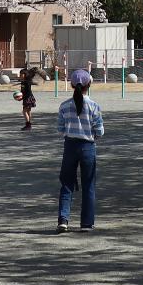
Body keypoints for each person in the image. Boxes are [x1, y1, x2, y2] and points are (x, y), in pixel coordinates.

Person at [56, 68, 104, 232]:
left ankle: (63, 219)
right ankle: (87, 223)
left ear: (71, 85)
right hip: (87, 146)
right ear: (89, 84)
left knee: (66, 183)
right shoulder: (94, 106)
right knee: (88, 185)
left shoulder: (64, 106)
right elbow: (100, 131)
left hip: (70, 145)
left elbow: (60, 129)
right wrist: (93, 136)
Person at [18, 65, 40, 130]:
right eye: (20, 74)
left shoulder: (26, 82)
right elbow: (22, 91)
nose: (20, 75)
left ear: (25, 75)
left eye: (21, 74)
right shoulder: (23, 82)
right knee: (28, 111)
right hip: (27, 97)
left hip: (28, 98)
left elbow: (27, 91)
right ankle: (29, 124)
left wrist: (22, 97)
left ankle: (28, 125)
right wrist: (20, 96)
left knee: (24, 111)